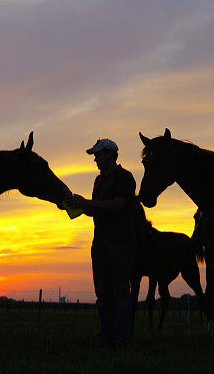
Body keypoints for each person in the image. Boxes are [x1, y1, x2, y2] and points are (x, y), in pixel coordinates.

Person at [65, 138, 136, 346]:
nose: (95, 159)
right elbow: (95, 208)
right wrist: (76, 205)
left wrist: (87, 203)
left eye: (98, 155)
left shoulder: (125, 178)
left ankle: (121, 338)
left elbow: (117, 206)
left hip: (120, 242)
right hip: (100, 243)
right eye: (95, 155)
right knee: (103, 293)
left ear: (111, 154)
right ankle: (106, 336)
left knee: (120, 292)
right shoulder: (98, 180)